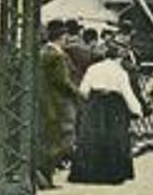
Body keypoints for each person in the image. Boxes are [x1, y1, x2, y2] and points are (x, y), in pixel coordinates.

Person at [68, 45, 143, 185]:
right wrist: (137, 110)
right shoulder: (120, 72)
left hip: (95, 105)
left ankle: (88, 174)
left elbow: (84, 90)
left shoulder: (93, 68)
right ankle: (111, 175)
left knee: (91, 136)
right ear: (119, 58)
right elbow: (127, 94)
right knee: (114, 137)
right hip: (114, 106)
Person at [40, 19, 81, 186]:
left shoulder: (43, 52)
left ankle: (45, 176)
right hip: (60, 103)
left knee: (50, 139)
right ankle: (44, 173)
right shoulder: (57, 56)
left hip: (47, 101)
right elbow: (63, 82)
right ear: (61, 37)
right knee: (64, 141)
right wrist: (80, 94)